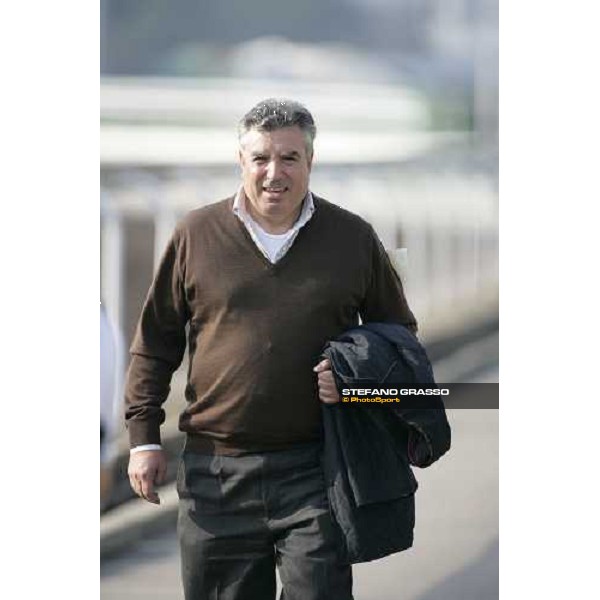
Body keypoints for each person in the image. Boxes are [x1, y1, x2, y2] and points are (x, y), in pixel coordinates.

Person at [124, 98, 418, 600]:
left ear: (310, 162)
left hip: (317, 470)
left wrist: (356, 383)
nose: (273, 173)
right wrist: (144, 438)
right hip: (214, 472)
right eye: (260, 158)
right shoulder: (195, 233)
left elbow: (401, 341)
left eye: (289, 158)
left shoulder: (352, 237)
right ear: (241, 161)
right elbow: (156, 342)